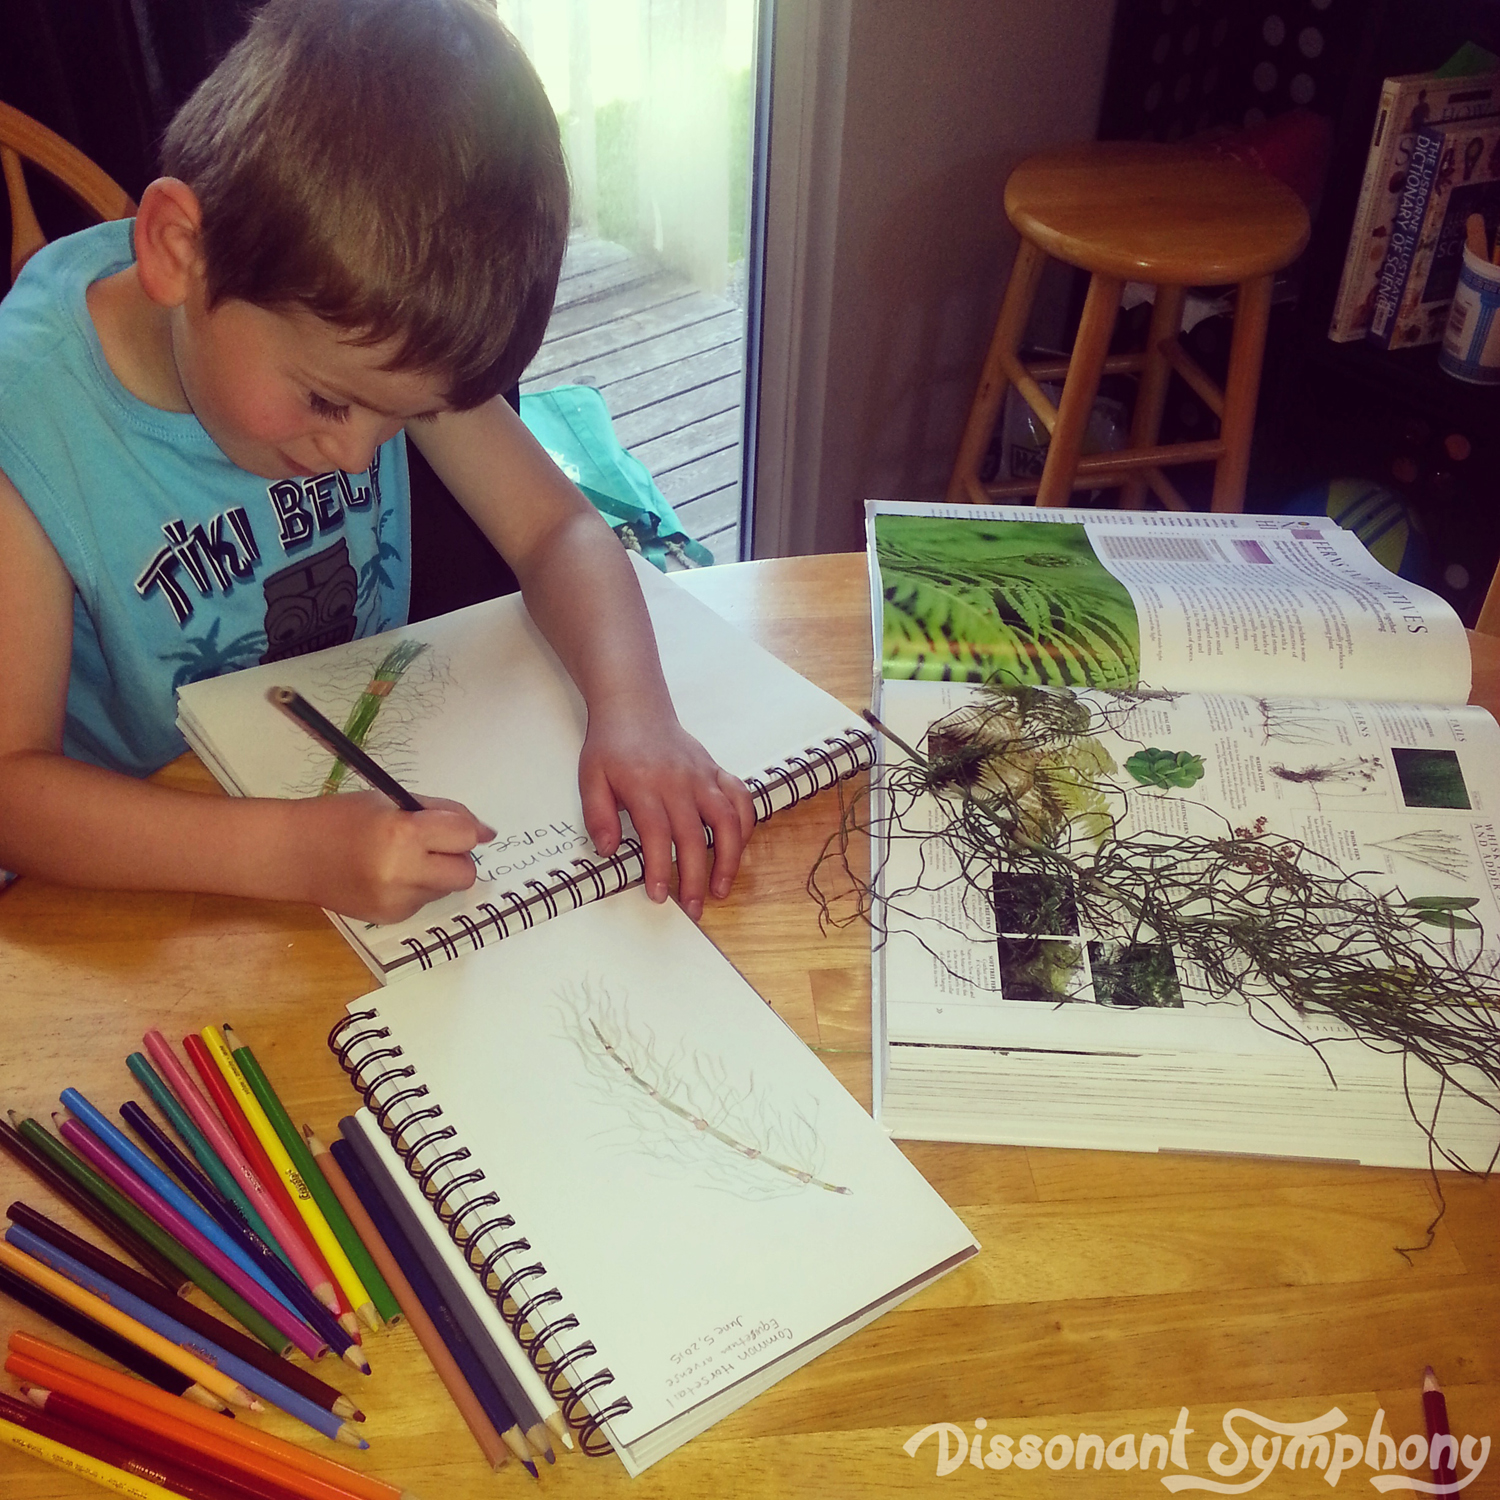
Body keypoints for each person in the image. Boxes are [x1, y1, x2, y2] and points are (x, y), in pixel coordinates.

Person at [0, 0, 753, 925]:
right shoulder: (26, 425)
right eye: (327, 403)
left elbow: (557, 531)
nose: (355, 453)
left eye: (408, 419)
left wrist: (634, 709)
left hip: (345, 789)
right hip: (138, 875)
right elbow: (11, 791)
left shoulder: (365, 329)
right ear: (179, 251)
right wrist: (291, 853)